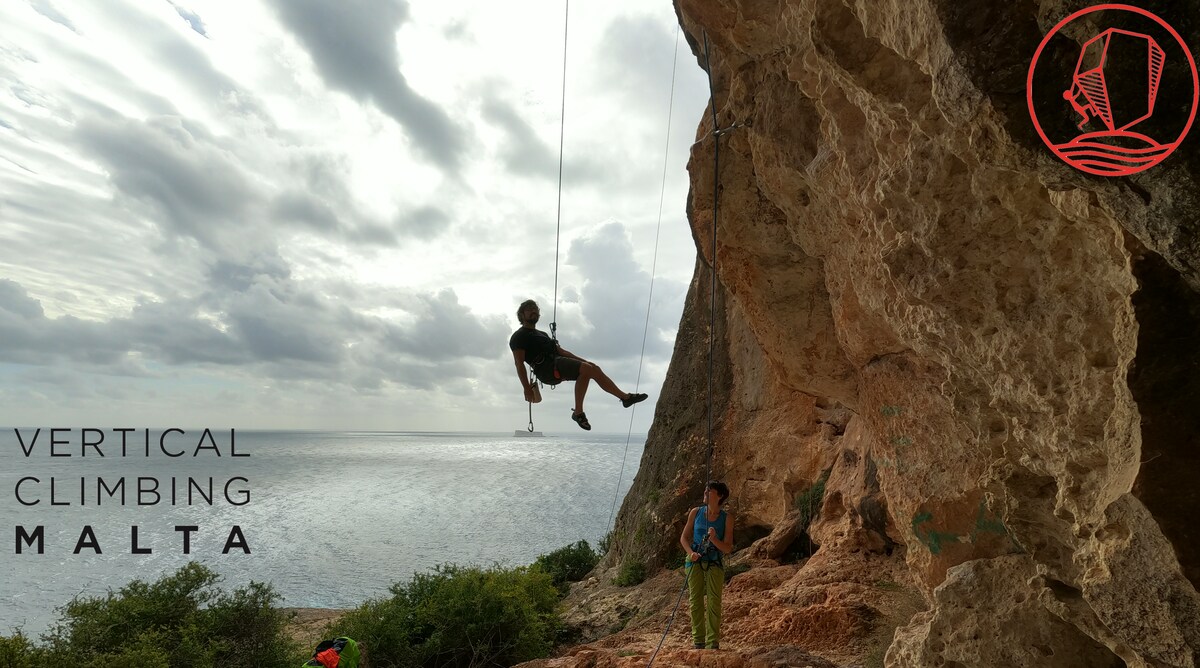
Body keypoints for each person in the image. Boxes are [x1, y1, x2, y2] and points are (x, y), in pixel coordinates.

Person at [509, 299, 647, 430]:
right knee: (586, 369)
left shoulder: (543, 334)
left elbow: (562, 352)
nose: (533, 311)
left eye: (535, 309)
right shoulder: (519, 336)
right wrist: (526, 388)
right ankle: (578, 412)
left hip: (556, 362)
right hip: (545, 368)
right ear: (522, 315)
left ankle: (625, 398)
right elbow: (519, 364)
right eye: (529, 309)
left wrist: (583, 361)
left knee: (593, 368)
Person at [679, 481, 733, 650]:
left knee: (713, 602)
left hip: (714, 563)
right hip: (694, 562)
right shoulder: (695, 512)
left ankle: (712, 642)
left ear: (720, 496)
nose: (705, 492)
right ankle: (698, 641)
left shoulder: (727, 519)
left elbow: (727, 548)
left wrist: (714, 539)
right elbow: (683, 538)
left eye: (709, 491)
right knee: (695, 601)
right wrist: (690, 553)